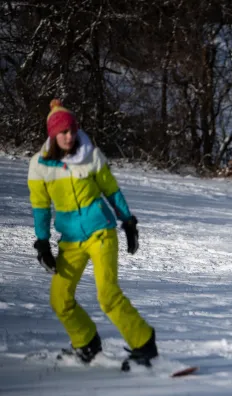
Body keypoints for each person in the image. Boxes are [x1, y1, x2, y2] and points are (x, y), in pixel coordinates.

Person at [27, 99, 158, 366]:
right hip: (71, 240)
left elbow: (111, 190)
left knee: (107, 295)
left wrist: (128, 221)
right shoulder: (39, 166)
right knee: (59, 298)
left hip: (101, 233)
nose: (69, 136)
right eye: (63, 132)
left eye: (72, 130)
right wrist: (42, 242)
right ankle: (86, 343)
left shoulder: (91, 156)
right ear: (53, 134)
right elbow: (40, 207)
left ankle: (144, 344)